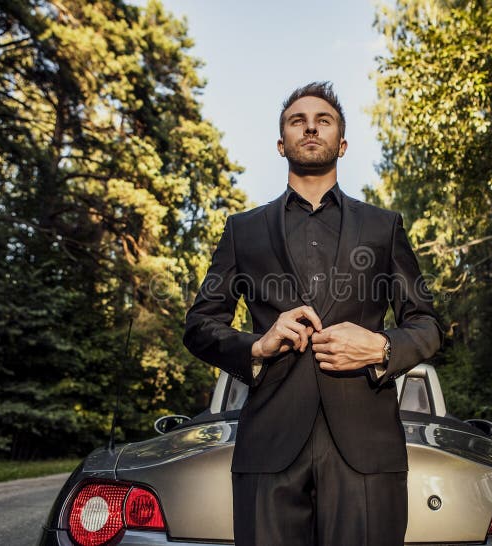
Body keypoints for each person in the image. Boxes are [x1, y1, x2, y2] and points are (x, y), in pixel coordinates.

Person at [183, 81, 443, 546]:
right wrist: (256, 347)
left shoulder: (385, 227)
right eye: (297, 120)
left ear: (341, 143)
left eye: (323, 120)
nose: (310, 127)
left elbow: (427, 323)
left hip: (367, 450)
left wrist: (381, 346)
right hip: (267, 447)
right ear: (281, 143)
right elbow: (200, 325)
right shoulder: (242, 230)